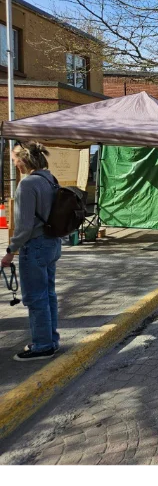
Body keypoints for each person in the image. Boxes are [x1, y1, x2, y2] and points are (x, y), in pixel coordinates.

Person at [2, 143, 63, 361]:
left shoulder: (27, 184)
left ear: (24, 160)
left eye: (15, 160)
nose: (14, 163)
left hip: (35, 246)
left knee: (36, 298)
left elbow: (24, 226)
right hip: (52, 244)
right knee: (48, 295)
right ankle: (51, 340)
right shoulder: (50, 179)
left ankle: (43, 345)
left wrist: (10, 251)